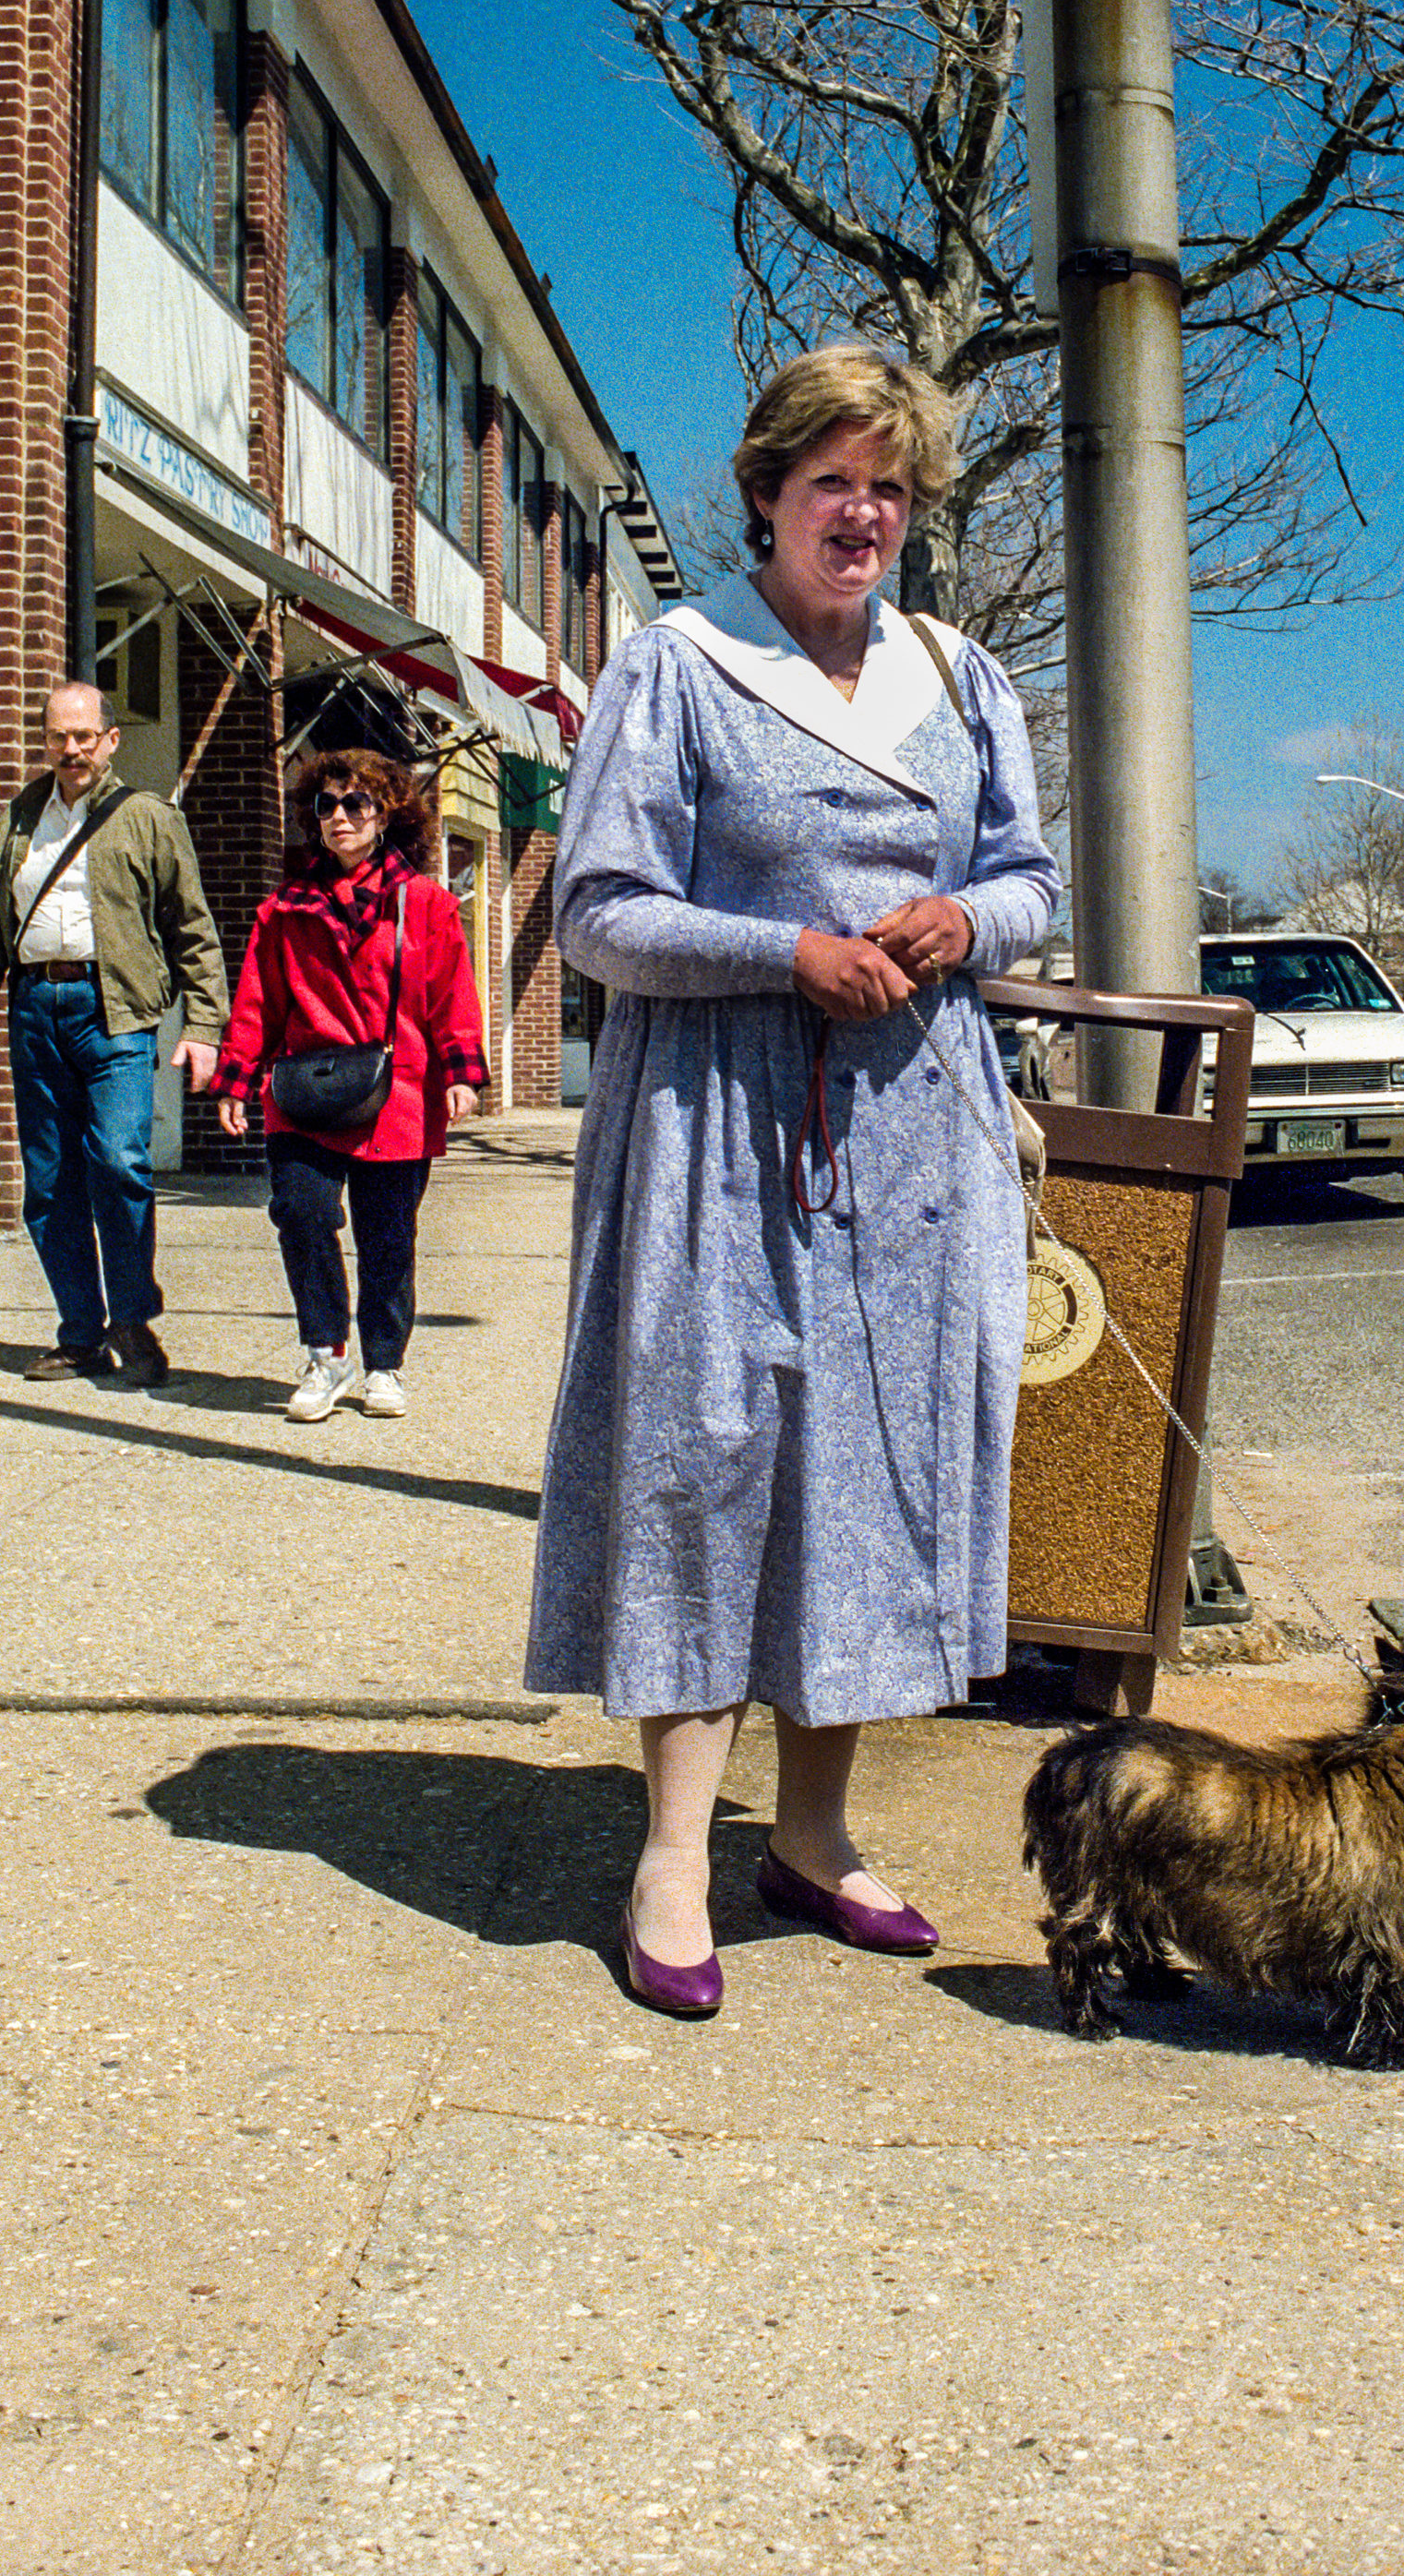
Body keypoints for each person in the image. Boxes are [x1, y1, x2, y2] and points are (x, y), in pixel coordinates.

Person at [524, 342, 1059, 2018]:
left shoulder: (963, 677)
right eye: (833, 481)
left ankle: (813, 1834)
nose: (866, 512)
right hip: (717, 1124)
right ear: (765, 494)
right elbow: (596, 911)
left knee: (878, 1462)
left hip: (914, 1133)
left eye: (890, 486)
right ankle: (675, 1852)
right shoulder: (677, 667)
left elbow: (1033, 878)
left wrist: (965, 922)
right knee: (707, 1448)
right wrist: (786, 950)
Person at [0, 680, 229, 1385]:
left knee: (118, 1162)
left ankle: (132, 1321)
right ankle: (80, 1333)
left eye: (83, 736)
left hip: (117, 1012)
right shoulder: (17, 819)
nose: (69, 749)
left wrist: (203, 1025)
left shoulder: (146, 818)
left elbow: (192, 928)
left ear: (110, 740)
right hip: (35, 1012)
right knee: (49, 1182)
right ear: (44, 741)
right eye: (56, 736)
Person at [210, 749, 489, 1421]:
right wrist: (236, 1080)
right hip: (304, 1090)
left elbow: (452, 994)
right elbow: (258, 1001)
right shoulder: (284, 909)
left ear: (386, 815)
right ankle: (327, 1355)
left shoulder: (424, 903)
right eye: (326, 805)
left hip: (398, 1095)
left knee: (388, 1236)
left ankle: (384, 1365)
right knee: (301, 1213)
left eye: (355, 804)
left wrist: (461, 1073)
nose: (339, 818)